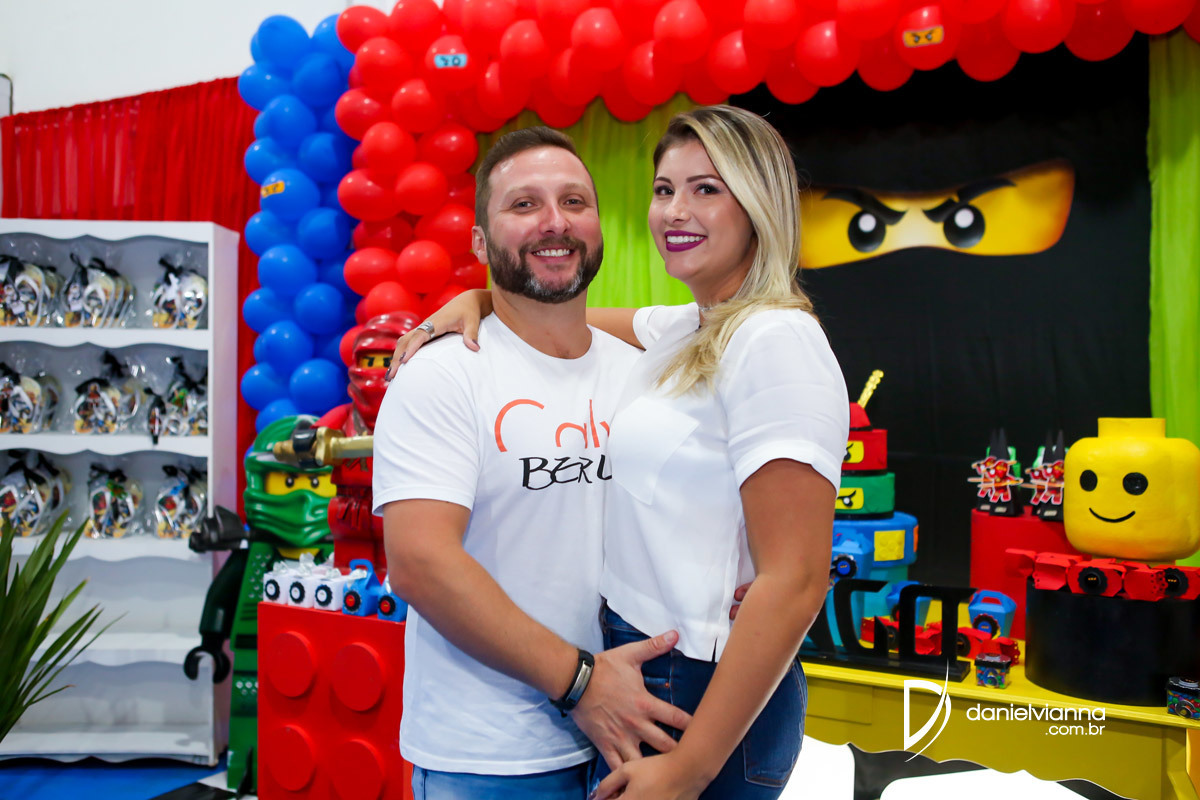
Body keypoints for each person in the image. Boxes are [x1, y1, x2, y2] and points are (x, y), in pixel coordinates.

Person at [388, 105, 849, 799]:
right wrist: (478, 299)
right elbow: (557, 315)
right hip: (548, 722)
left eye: (706, 188)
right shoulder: (685, 333)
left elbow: (798, 579)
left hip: (690, 692)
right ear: (481, 236)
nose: (676, 210)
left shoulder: (773, 339)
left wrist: (690, 768)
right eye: (664, 190)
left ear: (758, 206)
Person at [372, 126, 693, 800]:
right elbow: (420, 563)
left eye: (574, 201)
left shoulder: (643, 371)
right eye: (524, 204)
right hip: (491, 760)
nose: (555, 222)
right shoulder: (443, 375)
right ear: (480, 242)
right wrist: (581, 682)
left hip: (634, 738)